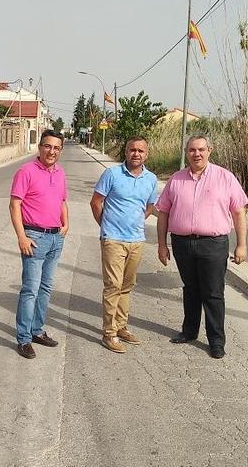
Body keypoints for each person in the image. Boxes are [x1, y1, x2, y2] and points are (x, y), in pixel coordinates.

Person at [155, 134, 248, 359]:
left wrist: (241, 245)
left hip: (213, 244)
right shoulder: (176, 180)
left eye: (201, 150)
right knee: (190, 289)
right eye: (192, 150)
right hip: (182, 243)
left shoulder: (225, 178)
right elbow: (163, 213)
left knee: (213, 293)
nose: (197, 154)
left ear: (209, 151)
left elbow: (239, 212)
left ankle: (216, 341)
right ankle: (189, 331)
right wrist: (161, 244)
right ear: (186, 152)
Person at [90, 136, 158, 353]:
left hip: (136, 241)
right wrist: (106, 227)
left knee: (127, 287)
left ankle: (121, 327)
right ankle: (108, 334)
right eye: (132, 150)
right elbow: (96, 202)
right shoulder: (112, 174)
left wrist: (136, 221)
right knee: (113, 286)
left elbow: (149, 206)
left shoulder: (151, 179)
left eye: (140, 150)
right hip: (113, 240)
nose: (136, 154)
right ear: (125, 152)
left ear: (146, 154)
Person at [9, 130, 69, 359]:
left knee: (45, 289)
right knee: (30, 290)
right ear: (40, 147)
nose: (51, 151)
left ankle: (36, 330)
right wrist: (22, 237)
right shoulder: (26, 171)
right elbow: (15, 206)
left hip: (55, 238)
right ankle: (23, 338)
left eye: (56, 148)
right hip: (34, 237)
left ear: (60, 150)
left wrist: (66, 224)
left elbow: (62, 200)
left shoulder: (61, 173)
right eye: (47, 146)